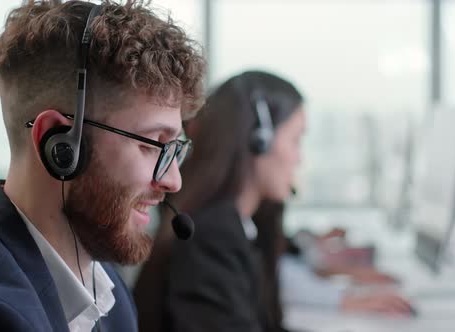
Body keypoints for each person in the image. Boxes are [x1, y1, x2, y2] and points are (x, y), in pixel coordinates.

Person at [0, 1, 205, 331]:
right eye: (150, 144)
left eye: (175, 149)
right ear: (60, 144)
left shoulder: (106, 289)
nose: (173, 180)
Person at [133, 71, 413, 332]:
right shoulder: (211, 238)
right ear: (259, 142)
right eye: (295, 140)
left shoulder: (240, 226)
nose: (299, 158)